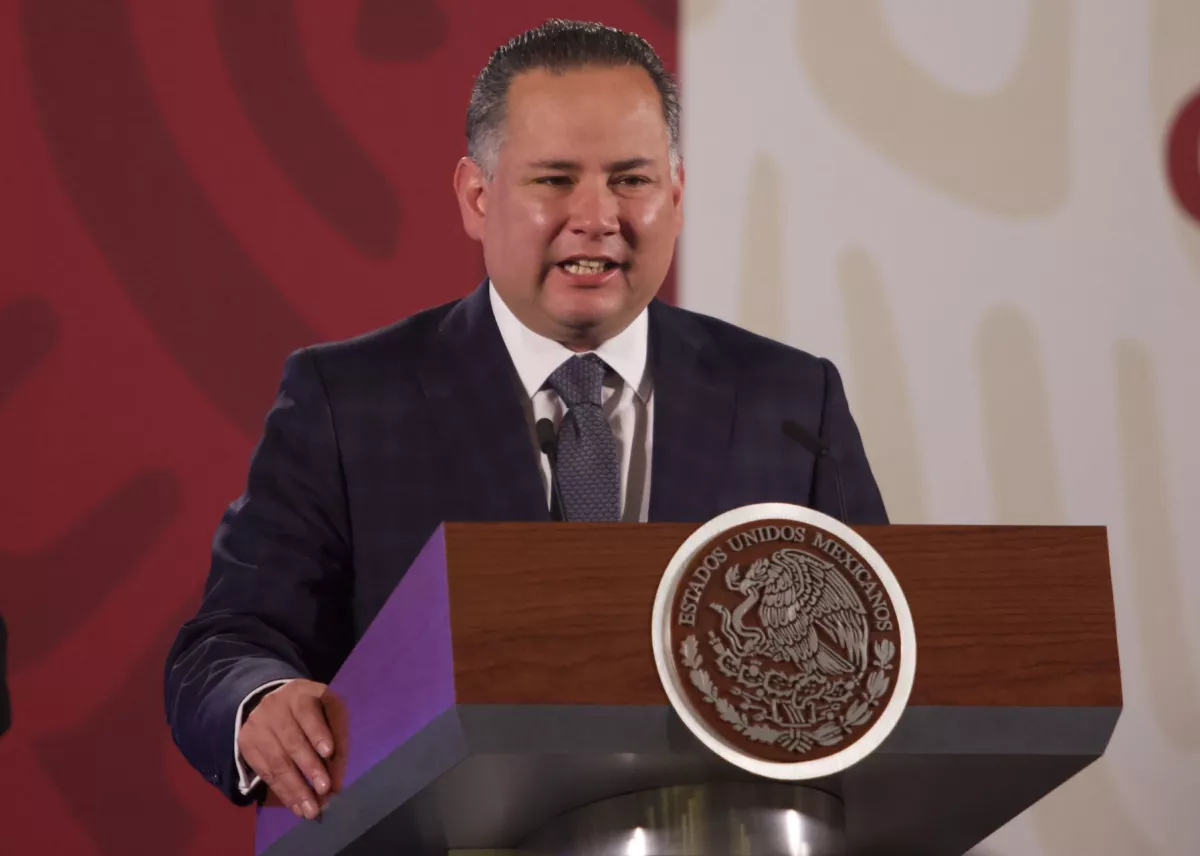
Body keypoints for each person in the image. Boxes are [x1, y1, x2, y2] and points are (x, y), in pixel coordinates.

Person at [163, 19, 887, 822]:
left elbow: (885, 662)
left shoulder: (790, 401)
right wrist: (262, 702)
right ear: (478, 198)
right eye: (554, 180)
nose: (596, 216)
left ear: (676, 197)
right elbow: (223, 647)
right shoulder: (349, 399)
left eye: (631, 180)